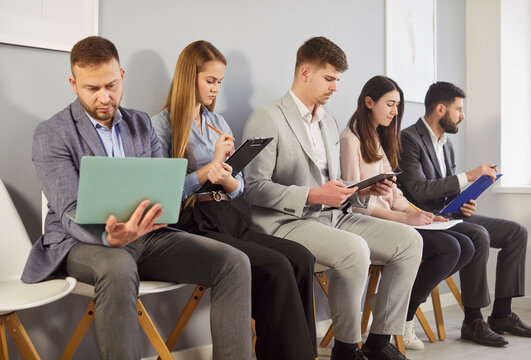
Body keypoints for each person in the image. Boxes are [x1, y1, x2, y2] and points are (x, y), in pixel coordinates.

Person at [22, 36, 252, 360]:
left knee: (233, 262)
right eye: (92, 88)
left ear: (122, 76)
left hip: (146, 234)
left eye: (112, 85)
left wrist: (161, 208)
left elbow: (164, 186)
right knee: (118, 265)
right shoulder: (52, 133)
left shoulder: (140, 123)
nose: (105, 97)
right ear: (73, 84)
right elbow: (69, 210)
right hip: (82, 242)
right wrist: (107, 236)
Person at [243, 36, 423, 360]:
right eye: (330, 78)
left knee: (410, 241)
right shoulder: (267, 117)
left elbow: (336, 187)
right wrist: (313, 194)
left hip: (335, 216)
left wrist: (363, 189)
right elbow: (254, 187)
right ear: (305, 72)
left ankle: (379, 341)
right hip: (287, 222)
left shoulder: (329, 123)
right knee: (354, 250)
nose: (335, 87)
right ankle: (346, 348)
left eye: (338, 79)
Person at [151, 40, 317, 360]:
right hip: (193, 223)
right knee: (276, 266)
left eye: (219, 82)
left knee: (301, 258)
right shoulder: (159, 126)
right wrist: (206, 172)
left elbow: (237, 184)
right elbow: (163, 193)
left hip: (228, 215)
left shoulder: (219, 124)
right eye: (210, 81)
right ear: (189, 78)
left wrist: (228, 179)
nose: (216, 89)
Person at [339, 75, 474, 350]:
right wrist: (405, 218)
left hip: (394, 220)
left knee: (466, 246)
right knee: (448, 248)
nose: (395, 111)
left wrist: (421, 214)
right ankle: (401, 311)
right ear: (369, 102)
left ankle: (395, 304)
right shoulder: (350, 139)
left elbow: (395, 196)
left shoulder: (379, 138)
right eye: (390, 104)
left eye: (397, 105)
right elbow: (355, 202)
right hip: (368, 223)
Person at [398, 81, 530, 347]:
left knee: (517, 232)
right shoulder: (408, 139)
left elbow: (445, 191)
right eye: (458, 109)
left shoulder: (446, 144)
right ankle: (473, 320)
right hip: (425, 220)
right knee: (479, 234)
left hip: (450, 214)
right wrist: (470, 176)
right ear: (440, 109)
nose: (462, 115)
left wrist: (464, 202)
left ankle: (502, 314)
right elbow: (418, 189)